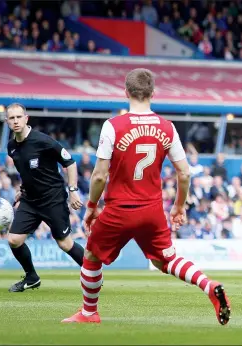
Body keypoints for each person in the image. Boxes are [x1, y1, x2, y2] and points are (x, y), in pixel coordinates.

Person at [61, 68, 231, 325]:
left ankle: (89, 313)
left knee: (92, 256)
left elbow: (98, 176)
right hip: (151, 210)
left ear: (126, 92)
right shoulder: (167, 127)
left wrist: (93, 206)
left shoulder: (112, 126)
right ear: (153, 93)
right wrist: (178, 207)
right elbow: (184, 173)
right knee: (165, 260)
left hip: (119, 209)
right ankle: (208, 285)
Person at [5, 103, 84, 292]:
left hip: (53, 199)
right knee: (14, 240)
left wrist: (72, 190)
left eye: (18, 117)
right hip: (30, 201)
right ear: (7, 122)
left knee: (65, 243)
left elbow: (70, 163)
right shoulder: (11, 147)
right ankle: (31, 277)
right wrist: (22, 189)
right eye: (11, 118)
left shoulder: (44, 141)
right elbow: (27, 172)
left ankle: (93, 273)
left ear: (26, 118)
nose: (15, 121)